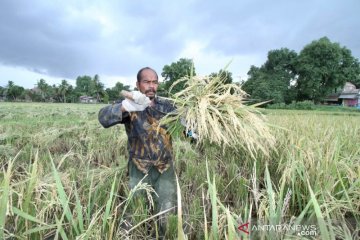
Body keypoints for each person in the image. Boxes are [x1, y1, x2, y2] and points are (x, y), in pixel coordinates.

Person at [98, 67, 177, 235]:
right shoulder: (132, 105)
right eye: (146, 82)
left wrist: (193, 132)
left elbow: (185, 130)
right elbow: (103, 118)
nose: (151, 86)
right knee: (134, 213)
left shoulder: (167, 106)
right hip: (139, 168)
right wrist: (126, 106)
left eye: (154, 82)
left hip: (165, 168)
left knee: (167, 214)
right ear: (138, 84)